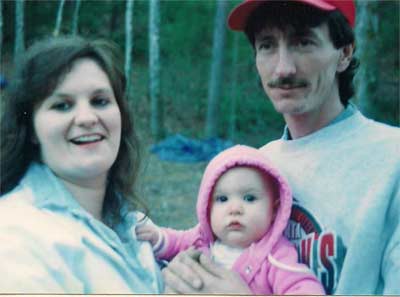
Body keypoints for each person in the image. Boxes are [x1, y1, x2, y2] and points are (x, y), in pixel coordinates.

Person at [162, 0, 400, 295]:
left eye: (303, 42)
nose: (284, 68)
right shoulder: (257, 166)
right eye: (267, 45)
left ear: (344, 53)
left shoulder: (391, 160)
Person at [0, 36, 163, 293]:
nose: (87, 118)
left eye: (100, 101)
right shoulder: (15, 238)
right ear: (31, 129)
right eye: (62, 105)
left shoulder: (130, 222)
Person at [137, 145, 325, 294]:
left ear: (274, 210)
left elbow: (305, 288)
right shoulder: (202, 238)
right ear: (207, 207)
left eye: (249, 198)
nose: (234, 209)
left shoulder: (276, 257)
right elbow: (176, 241)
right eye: (222, 199)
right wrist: (157, 238)